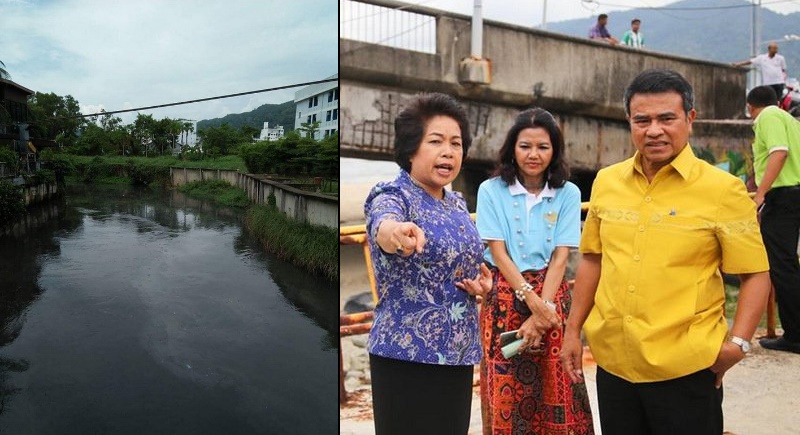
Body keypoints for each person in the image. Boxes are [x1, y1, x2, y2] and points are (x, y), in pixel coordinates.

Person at [560, 69, 772, 434]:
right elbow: (593, 258)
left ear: (690, 118)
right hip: (615, 365)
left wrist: (737, 344)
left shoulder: (723, 190)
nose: (653, 130)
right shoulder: (608, 182)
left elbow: (755, 273)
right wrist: (572, 330)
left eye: (666, 118)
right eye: (642, 120)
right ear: (630, 121)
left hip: (686, 368)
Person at [363, 92, 492, 435]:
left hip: (457, 352)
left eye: (456, 143)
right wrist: (396, 234)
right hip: (405, 354)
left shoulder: (458, 204)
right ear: (410, 149)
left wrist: (480, 285)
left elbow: (464, 264)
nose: (448, 151)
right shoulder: (393, 194)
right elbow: (383, 224)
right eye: (435, 141)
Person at [476, 108, 594, 434]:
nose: (533, 154)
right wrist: (533, 304)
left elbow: (560, 257)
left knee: (560, 382)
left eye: (543, 146)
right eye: (525, 145)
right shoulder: (491, 190)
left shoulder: (567, 193)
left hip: (552, 294)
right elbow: (498, 252)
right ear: (512, 148)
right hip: (505, 295)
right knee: (505, 385)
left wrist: (545, 310)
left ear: (554, 150)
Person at [746, 85, 800, 354]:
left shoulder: (767, 117)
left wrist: (761, 194)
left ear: (750, 107)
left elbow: (779, 152)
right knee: (789, 264)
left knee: (782, 266)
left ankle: (795, 335)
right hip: (795, 194)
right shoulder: (790, 120)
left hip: (783, 196)